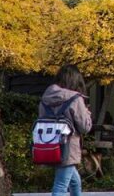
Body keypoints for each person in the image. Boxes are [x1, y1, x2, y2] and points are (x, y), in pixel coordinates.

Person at [40, 64, 92, 196]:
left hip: (49, 144)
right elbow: (85, 127)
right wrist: (87, 113)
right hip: (67, 147)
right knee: (60, 187)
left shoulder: (46, 97)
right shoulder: (75, 99)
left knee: (75, 182)